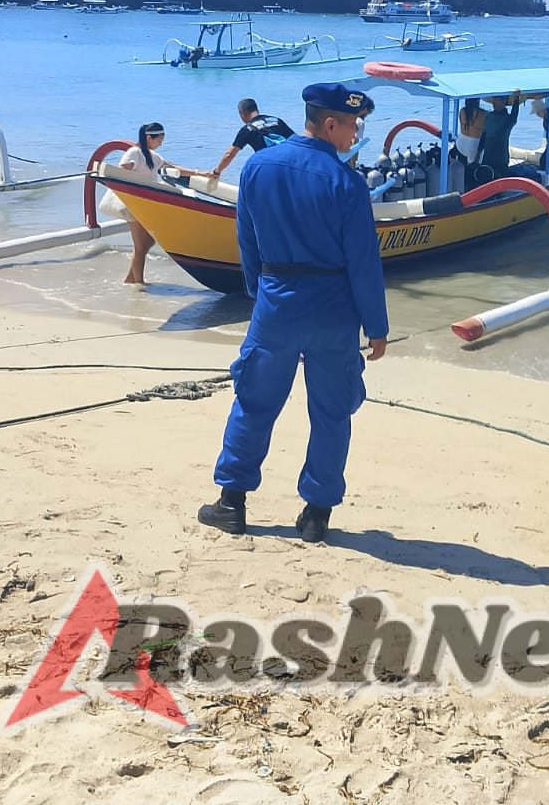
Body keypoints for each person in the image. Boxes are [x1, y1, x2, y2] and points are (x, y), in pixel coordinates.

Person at [197, 83, 389, 545]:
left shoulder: (257, 167)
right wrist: (377, 327)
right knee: (331, 412)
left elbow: (247, 242)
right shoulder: (347, 183)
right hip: (332, 311)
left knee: (254, 402)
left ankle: (231, 504)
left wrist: (257, 295)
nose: (355, 133)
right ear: (330, 124)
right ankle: (317, 514)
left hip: (276, 301)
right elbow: (364, 263)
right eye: (352, 125)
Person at [118, 122, 208, 286]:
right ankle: (139, 283)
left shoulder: (153, 156)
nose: (160, 144)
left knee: (148, 242)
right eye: (158, 140)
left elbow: (173, 168)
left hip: (145, 206)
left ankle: (130, 279)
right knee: (140, 246)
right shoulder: (135, 152)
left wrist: (199, 173)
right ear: (148, 138)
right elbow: (122, 169)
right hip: (134, 204)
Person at [209, 98, 294, 179]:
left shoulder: (247, 129)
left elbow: (229, 154)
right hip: (290, 162)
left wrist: (217, 172)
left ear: (242, 113)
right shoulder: (275, 120)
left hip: (271, 167)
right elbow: (296, 140)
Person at [473, 92, 522, 181]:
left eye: (498, 100)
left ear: (504, 102)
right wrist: (478, 153)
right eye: (494, 100)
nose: (495, 102)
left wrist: (516, 99)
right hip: (487, 157)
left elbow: (514, 115)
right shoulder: (489, 116)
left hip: (501, 159)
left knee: (500, 184)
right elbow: (484, 135)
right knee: (485, 182)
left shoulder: (508, 119)